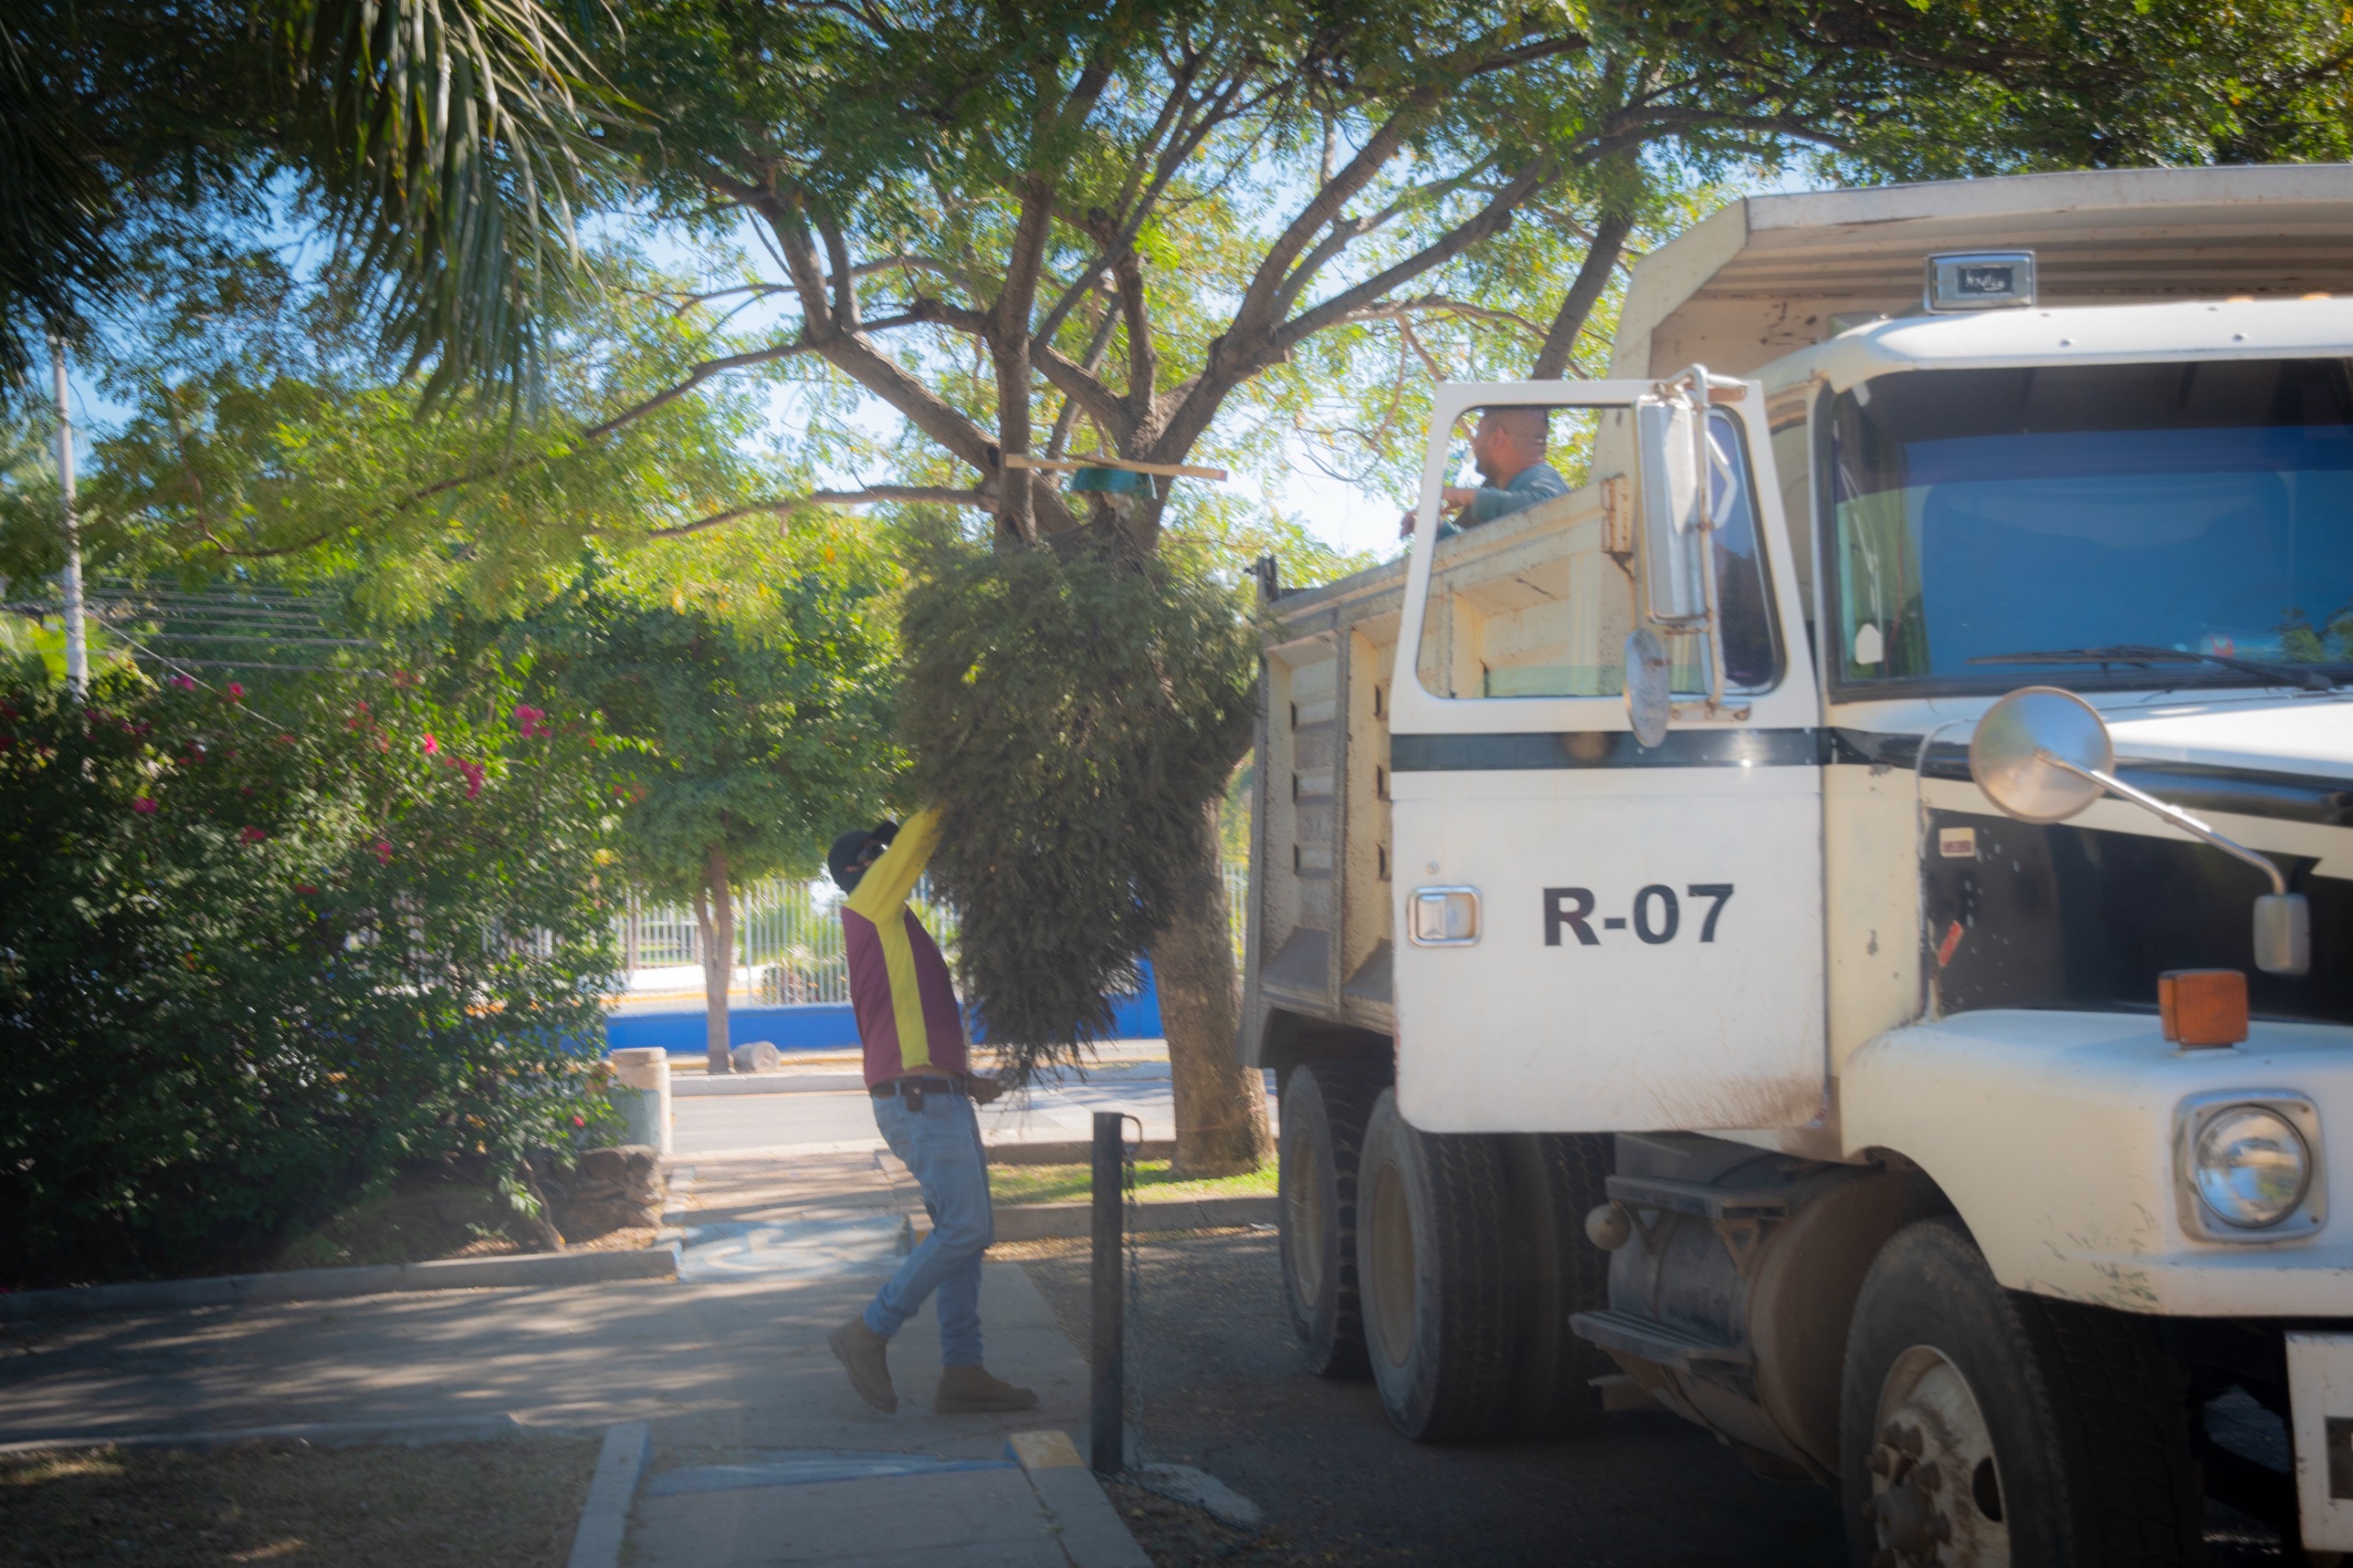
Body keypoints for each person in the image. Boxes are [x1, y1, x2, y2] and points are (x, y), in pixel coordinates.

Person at [823, 809, 1037, 1415]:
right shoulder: (870, 902)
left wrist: (967, 1081)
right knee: (968, 1229)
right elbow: (918, 838)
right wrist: (952, 792)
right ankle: (868, 1331)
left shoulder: (893, 924)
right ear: (861, 868)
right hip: (918, 1105)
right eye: (877, 852)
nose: (893, 859)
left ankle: (963, 1371)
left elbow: (910, 1020)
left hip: (937, 1099)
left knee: (963, 1238)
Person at [1397, 405, 1570, 539]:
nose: (1475, 442)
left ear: (1496, 439)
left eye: (1479, 432)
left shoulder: (1542, 475)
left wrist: (1465, 495)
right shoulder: (1513, 497)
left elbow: (1550, 509)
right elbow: (1487, 557)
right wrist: (1438, 528)